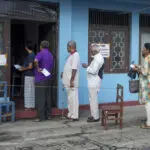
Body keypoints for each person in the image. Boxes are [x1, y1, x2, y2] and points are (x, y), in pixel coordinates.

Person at [82, 44, 104, 122]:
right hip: (93, 81)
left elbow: (94, 71)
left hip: (94, 82)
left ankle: (95, 117)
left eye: (91, 50)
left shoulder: (97, 59)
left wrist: (86, 66)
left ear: (94, 51)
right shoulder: (97, 57)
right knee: (92, 99)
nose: (91, 52)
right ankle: (93, 115)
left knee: (93, 100)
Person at [34, 40, 54, 122]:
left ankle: (41, 117)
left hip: (40, 79)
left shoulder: (40, 53)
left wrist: (38, 68)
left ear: (41, 46)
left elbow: (35, 61)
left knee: (40, 98)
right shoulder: (50, 55)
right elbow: (52, 66)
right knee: (48, 97)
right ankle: (49, 115)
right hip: (48, 78)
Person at [61, 40, 80, 121]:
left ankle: (75, 116)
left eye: (67, 47)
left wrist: (72, 81)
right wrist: (63, 73)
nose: (67, 48)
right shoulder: (71, 55)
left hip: (72, 82)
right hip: (68, 82)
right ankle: (70, 114)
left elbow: (74, 69)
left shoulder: (76, 55)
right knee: (70, 99)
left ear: (71, 47)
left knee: (73, 100)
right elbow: (69, 67)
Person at [133, 43, 150, 129]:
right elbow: (146, 69)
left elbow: (145, 72)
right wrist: (139, 66)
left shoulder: (147, 58)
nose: (142, 50)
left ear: (147, 50)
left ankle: (149, 123)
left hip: (147, 84)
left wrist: (137, 69)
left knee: (147, 103)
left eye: (143, 48)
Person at [19, 44, 35, 110]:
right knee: (30, 91)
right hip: (30, 75)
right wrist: (22, 67)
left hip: (29, 75)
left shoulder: (31, 55)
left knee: (29, 91)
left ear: (26, 48)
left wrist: (22, 69)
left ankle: (29, 107)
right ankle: (31, 106)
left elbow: (30, 66)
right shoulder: (32, 55)